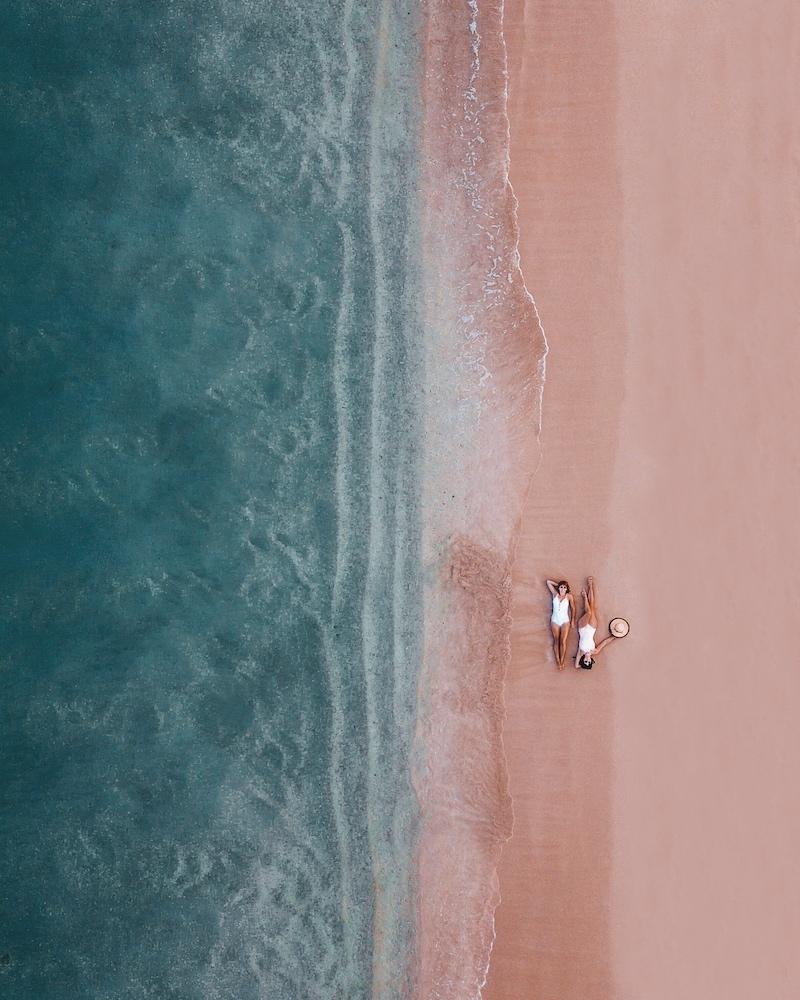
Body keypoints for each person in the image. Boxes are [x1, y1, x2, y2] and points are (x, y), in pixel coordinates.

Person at [574, 576, 622, 669]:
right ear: (591, 660)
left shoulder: (580, 652)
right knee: (592, 608)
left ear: (583, 660)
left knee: (588, 612)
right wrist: (615, 637)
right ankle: (590, 586)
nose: (587, 660)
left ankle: (584, 597)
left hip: (582, 628)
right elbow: (605, 642)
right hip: (592, 628)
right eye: (588, 662)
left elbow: (576, 666)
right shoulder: (595, 651)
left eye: (585, 661)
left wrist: (581, 664)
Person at [546, 579, 575, 669]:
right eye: (561, 587)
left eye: (564, 587)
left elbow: (573, 608)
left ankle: (562, 660)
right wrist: (558, 585)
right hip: (555, 620)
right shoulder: (555, 594)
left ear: (567, 589)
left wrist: (573, 620)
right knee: (556, 640)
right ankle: (558, 660)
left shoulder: (569, 596)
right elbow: (548, 582)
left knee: (563, 641)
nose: (562, 589)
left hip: (565, 620)